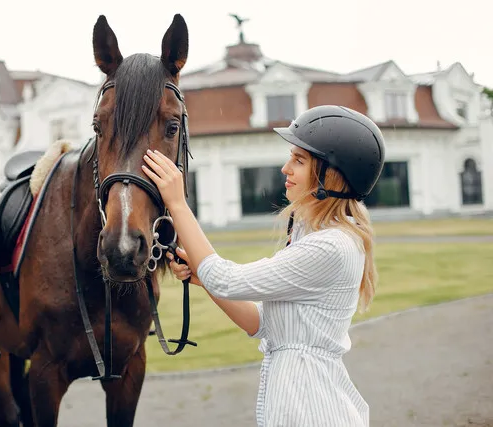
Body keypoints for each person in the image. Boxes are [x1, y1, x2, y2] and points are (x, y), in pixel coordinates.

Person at [141, 105, 386, 427]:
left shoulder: (331, 245)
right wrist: (203, 278)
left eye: (299, 160)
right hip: (301, 397)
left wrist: (176, 202)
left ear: (333, 174)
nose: (286, 168)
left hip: (309, 407)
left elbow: (227, 279)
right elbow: (260, 323)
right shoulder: (318, 237)